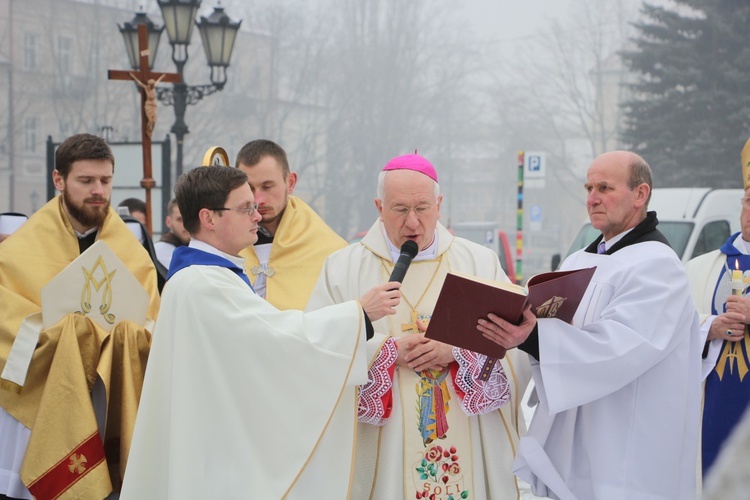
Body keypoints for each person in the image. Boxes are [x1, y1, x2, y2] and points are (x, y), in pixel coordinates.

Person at [121, 166, 398, 498]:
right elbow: (277, 340)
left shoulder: (203, 277)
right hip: (213, 458)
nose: (257, 216)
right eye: (245, 208)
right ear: (208, 218)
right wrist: (359, 315)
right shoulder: (202, 284)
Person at [479, 151, 702, 499]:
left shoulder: (659, 267)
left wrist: (536, 337)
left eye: (605, 188)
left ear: (640, 195)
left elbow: (618, 348)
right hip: (574, 440)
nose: (592, 198)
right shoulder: (578, 260)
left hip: (625, 448)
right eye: (588, 188)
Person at [307, 154, 531, 499]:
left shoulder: (478, 262)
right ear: (379, 206)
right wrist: (386, 351)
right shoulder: (343, 269)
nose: (412, 222)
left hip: (464, 430)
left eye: (422, 208)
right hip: (385, 443)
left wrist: (455, 349)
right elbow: (317, 346)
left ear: (439, 205)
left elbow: (511, 347)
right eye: (399, 209)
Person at [0, 133, 160, 499]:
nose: (98, 191)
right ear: (59, 180)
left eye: (105, 181)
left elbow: (152, 324)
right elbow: (7, 321)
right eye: (86, 181)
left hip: (108, 397)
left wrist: (125, 336)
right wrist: (63, 335)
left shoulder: (133, 255)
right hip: (42, 399)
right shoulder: (19, 251)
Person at [685, 139, 750, 480]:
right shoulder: (699, 268)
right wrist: (708, 327)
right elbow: (670, 327)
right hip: (710, 414)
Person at [235, 139, 347, 310]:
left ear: (291, 182)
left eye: (267, 187)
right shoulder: (225, 245)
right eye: (249, 188)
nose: (258, 200)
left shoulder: (332, 253)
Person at [154, 198, 190, 270]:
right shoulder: (158, 252)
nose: (186, 225)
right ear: (169, 222)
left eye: (190, 219)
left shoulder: (205, 249)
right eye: (180, 219)